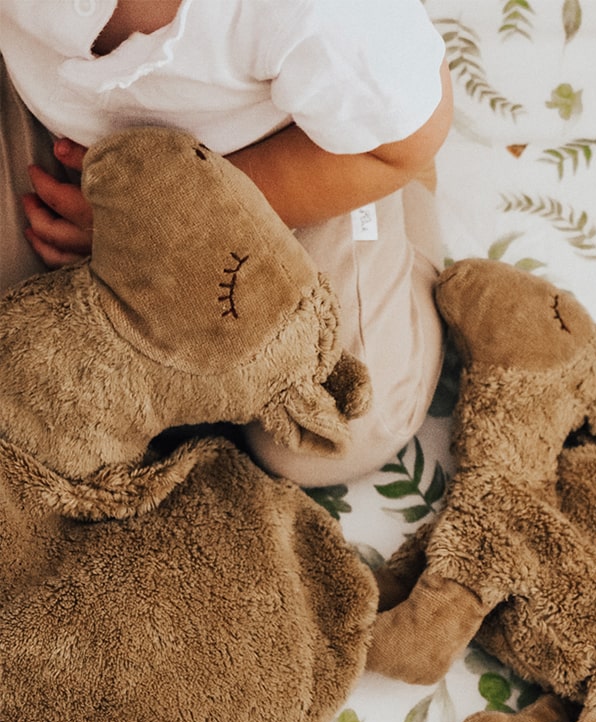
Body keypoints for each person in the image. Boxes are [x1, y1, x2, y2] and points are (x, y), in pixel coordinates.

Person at [0, 0, 453, 485]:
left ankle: (399, 205)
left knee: (339, 431)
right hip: (56, 105)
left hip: (287, 155)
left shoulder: (322, 17)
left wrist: (159, 219)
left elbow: (404, 145)